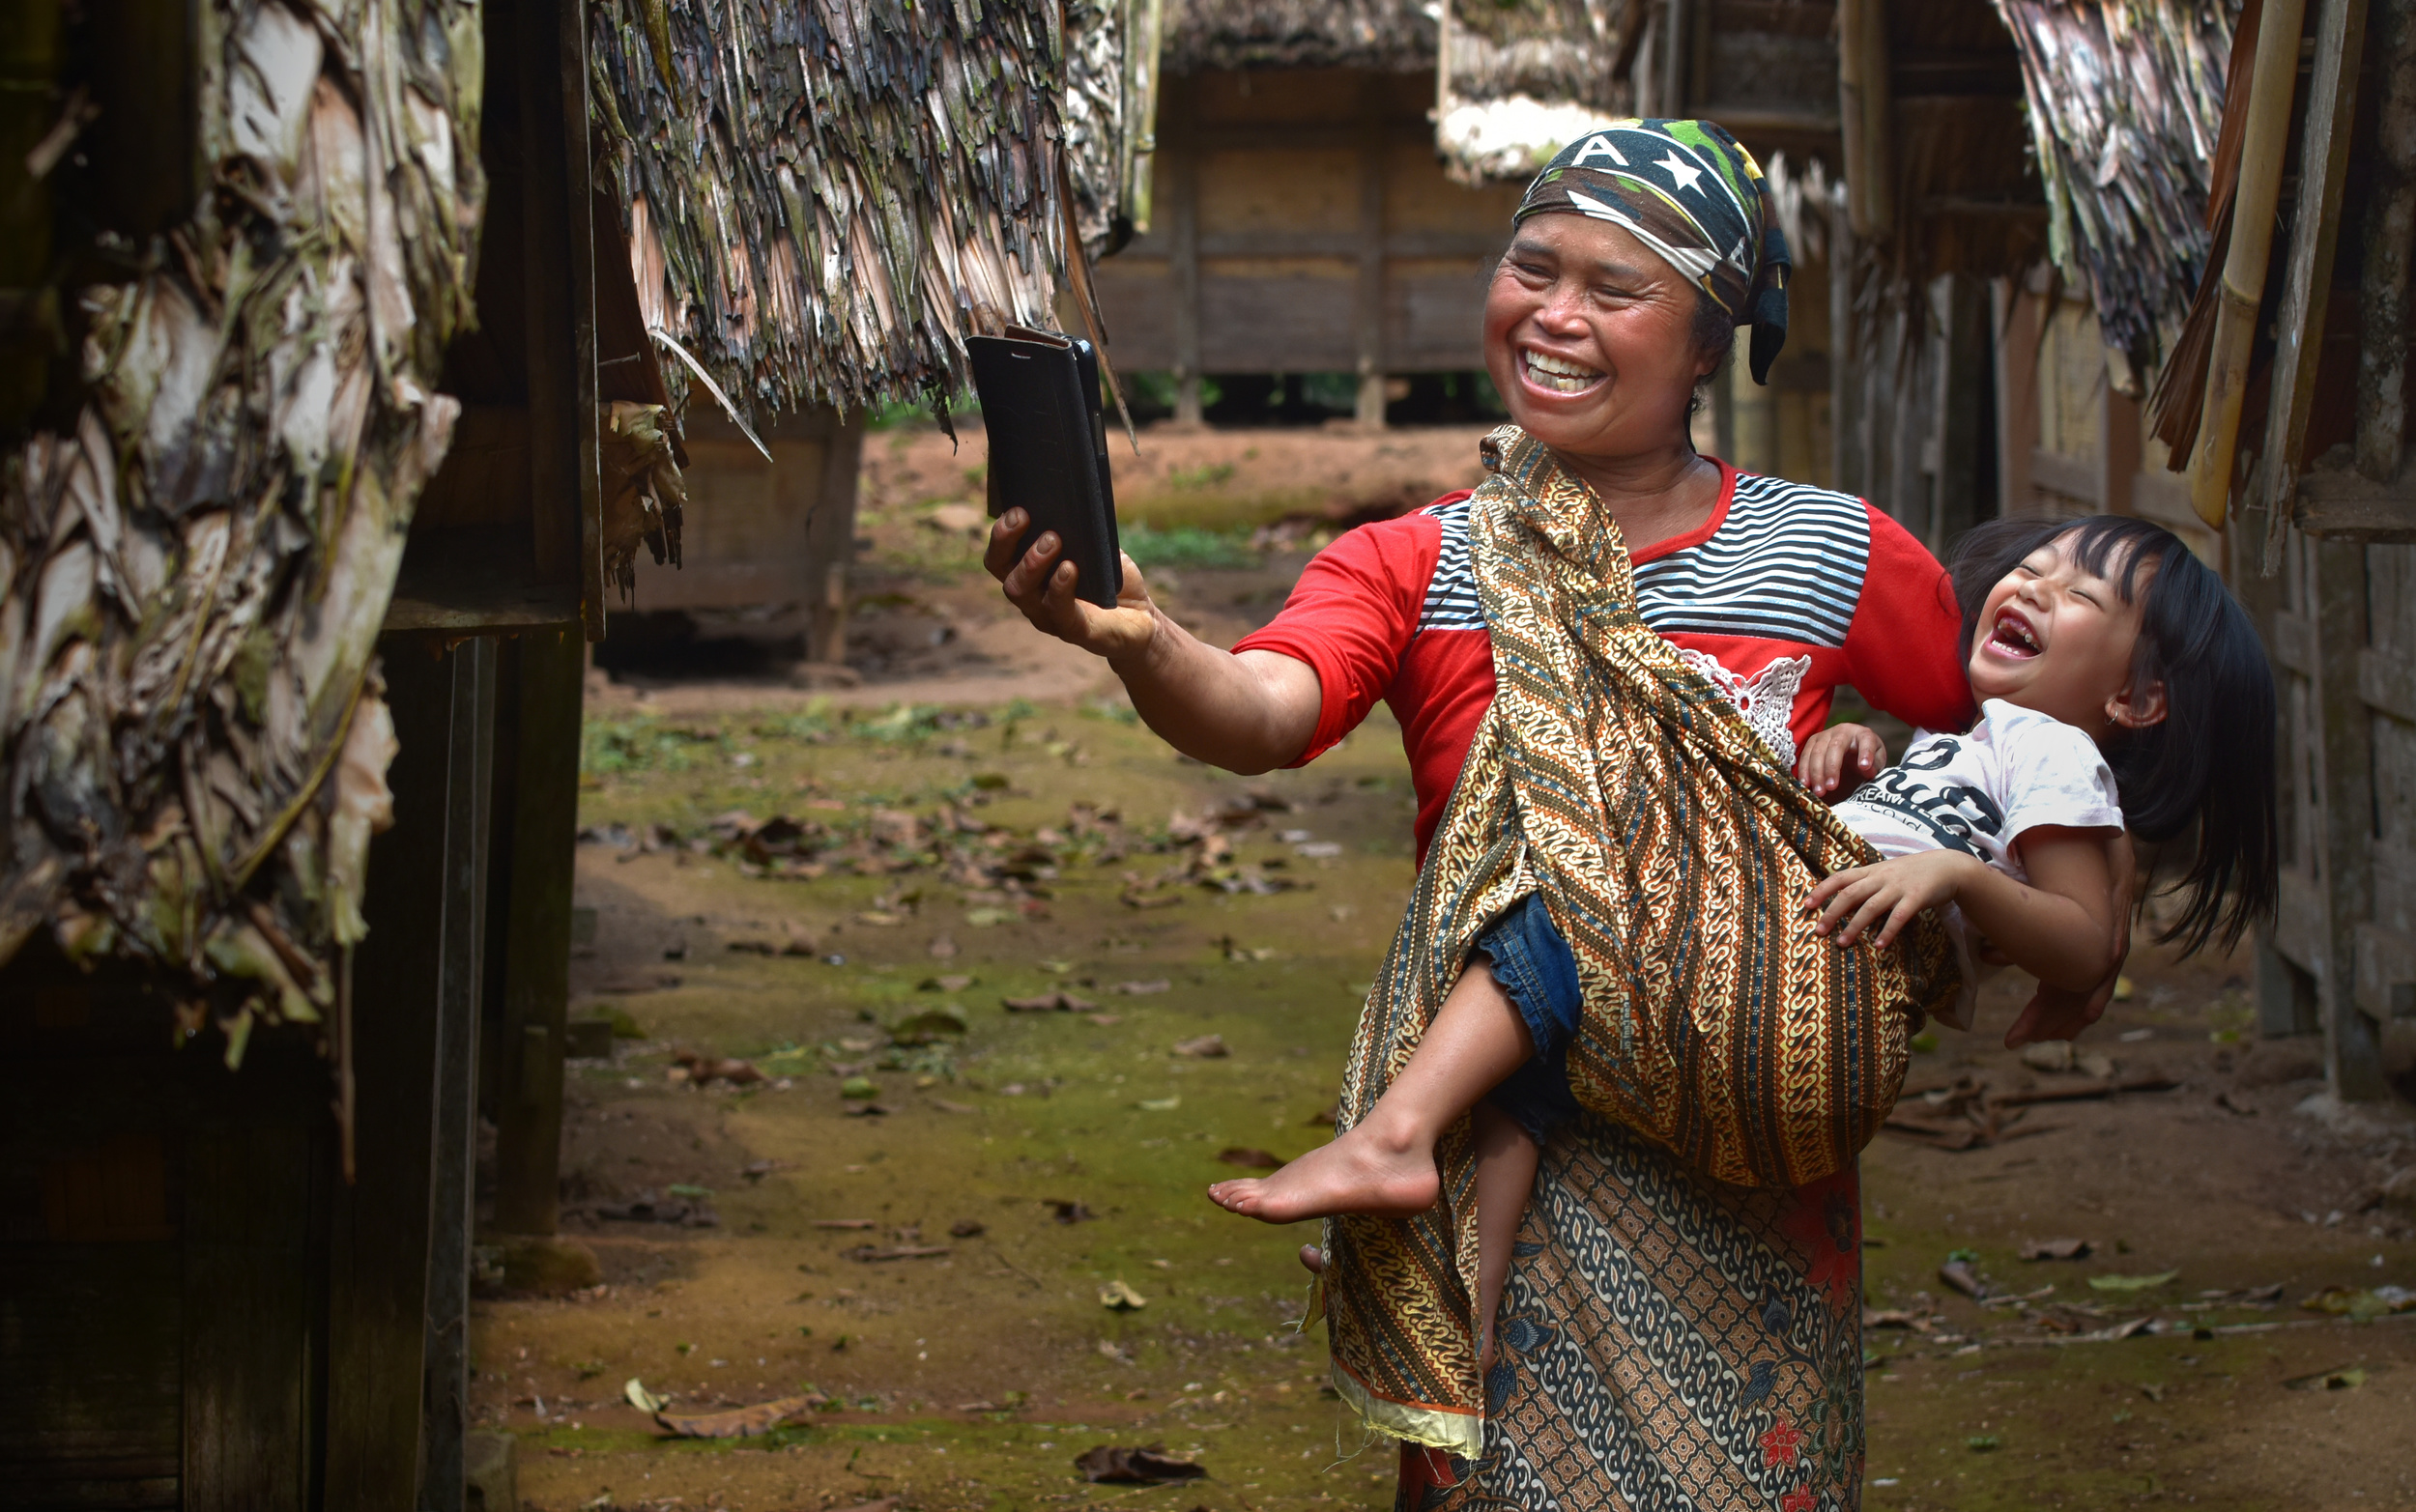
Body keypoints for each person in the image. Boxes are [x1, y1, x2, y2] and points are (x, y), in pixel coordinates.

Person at [988, 118, 2128, 1511]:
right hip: (1505, 1141)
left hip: (1751, 1151)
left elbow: (2006, 746)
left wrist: (2075, 917)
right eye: (1532, 269)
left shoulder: (1834, 553)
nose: (1556, 315)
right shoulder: (1417, 558)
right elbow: (1265, 710)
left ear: (1706, 344)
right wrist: (1144, 641)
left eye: (1615, 287)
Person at [1206, 512, 2277, 1375]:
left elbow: (2084, 945)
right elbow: (1928, 833)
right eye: (2034, 567)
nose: (2033, 586)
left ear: (2137, 696)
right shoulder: (1979, 740)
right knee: (1533, 1055)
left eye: (2082, 593)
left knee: (1563, 899)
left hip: (1807, 979)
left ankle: (1396, 1132)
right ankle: (1463, 1312)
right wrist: (1848, 754)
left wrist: (1954, 879)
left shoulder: (2053, 750)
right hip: (1778, 965)